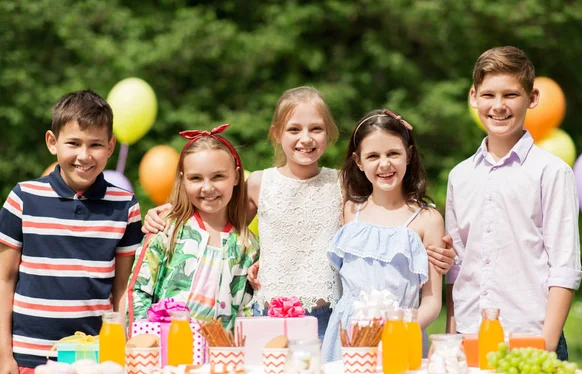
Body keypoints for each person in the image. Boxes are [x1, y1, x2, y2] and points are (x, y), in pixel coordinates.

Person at [142, 87, 456, 339]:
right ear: (277, 132)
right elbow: (215, 204)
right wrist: (171, 210)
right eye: (294, 129)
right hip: (267, 315)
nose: (305, 138)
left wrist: (440, 254)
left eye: (315, 129)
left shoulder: (342, 186)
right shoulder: (259, 183)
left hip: (325, 318)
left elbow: (384, 218)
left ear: (329, 134)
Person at [0, 90, 143, 374]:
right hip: (30, 358)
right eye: (74, 143)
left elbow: (122, 290)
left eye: (95, 144)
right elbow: (4, 279)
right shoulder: (23, 197)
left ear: (111, 147)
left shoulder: (125, 206)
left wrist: (121, 350)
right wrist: (3, 355)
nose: (84, 155)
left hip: (96, 359)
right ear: (52, 142)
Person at [445, 46, 582, 361]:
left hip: (531, 339)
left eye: (510, 95)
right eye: (489, 95)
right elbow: (458, 268)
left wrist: (545, 346)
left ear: (532, 98)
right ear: (473, 97)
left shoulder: (552, 172)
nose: (498, 106)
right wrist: (453, 334)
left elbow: (564, 267)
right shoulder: (459, 176)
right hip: (469, 339)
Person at [321, 109, 444, 361]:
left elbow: (432, 302)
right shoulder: (349, 210)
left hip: (400, 337)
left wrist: (397, 332)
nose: (384, 164)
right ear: (358, 161)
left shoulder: (427, 220)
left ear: (408, 155)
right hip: (348, 337)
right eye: (373, 156)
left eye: (393, 153)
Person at [126, 125, 259, 333]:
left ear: (235, 176)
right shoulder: (166, 228)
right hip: (163, 353)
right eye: (196, 178)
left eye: (218, 177)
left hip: (219, 359)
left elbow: (247, 311)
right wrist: (143, 345)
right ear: (183, 179)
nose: (207, 188)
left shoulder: (247, 246)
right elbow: (138, 291)